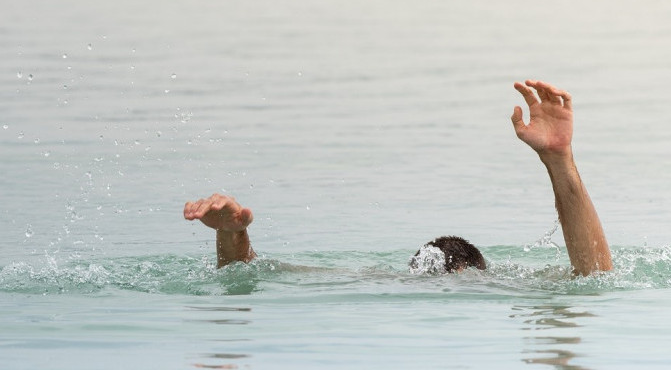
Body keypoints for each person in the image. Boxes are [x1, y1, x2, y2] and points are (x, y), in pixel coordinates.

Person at [184, 80, 612, 276]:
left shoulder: (375, 280)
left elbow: (251, 274)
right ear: (478, 274)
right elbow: (595, 275)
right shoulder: (503, 288)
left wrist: (231, 237)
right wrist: (560, 163)